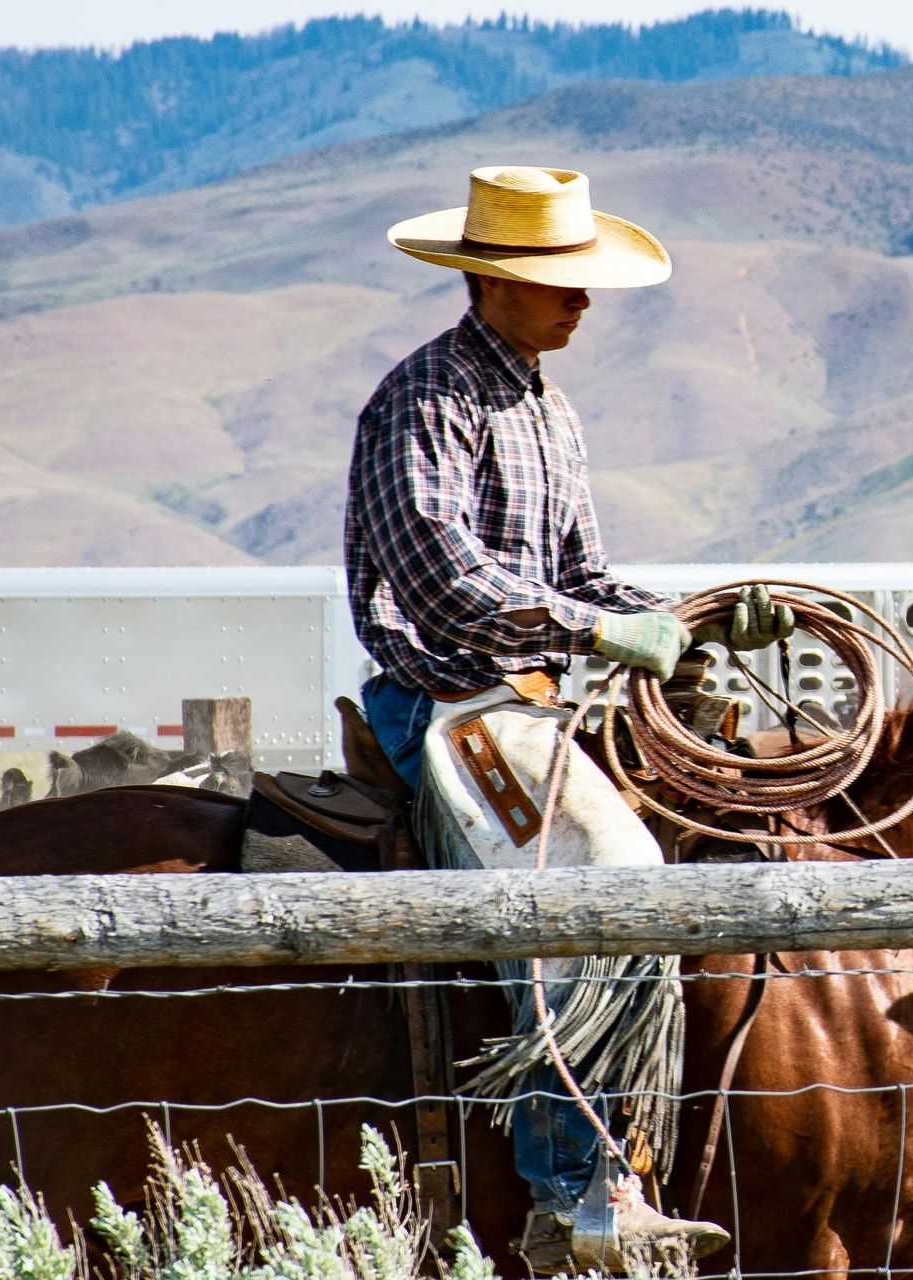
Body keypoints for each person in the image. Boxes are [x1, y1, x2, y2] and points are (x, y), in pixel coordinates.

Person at [343, 164, 789, 1269]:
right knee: (604, 872)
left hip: (538, 696)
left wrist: (689, 618)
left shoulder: (547, 406)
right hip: (451, 699)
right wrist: (595, 635)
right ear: (490, 281)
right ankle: (577, 1189)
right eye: (558, 280)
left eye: (584, 281)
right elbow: (442, 575)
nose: (581, 299)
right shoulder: (426, 397)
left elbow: (582, 572)